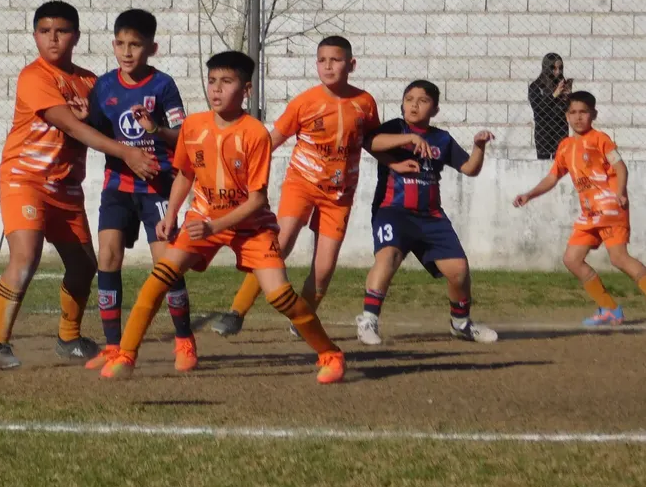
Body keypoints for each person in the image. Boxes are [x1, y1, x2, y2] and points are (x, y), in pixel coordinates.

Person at [98, 50, 346, 384]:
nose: (216, 89)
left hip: (251, 228)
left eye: (226, 82)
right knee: (158, 279)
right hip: (203, 220)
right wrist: (171, 214)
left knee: (279, 295)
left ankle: (330, 354)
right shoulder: (194, 126)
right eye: (212, 81)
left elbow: (257, 200)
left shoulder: (255, 133)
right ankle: (126, 356)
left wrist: (214, 225)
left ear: (246, 90)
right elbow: (185, 174)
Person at [0, 1, 159, 370]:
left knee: (83, 266)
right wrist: (127, 153)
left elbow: (109, 123)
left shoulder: (92, 81)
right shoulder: (34, 76)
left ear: (75, 36)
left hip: (66, 188)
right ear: (35, 36)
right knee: (26, 255)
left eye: (61, 31)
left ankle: (68, 338)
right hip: (25, 179)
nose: (52, 38)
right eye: (44, 31)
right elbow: (76, 128)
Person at [201, 35, 381, 338]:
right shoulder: (305, 102)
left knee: (323, 268)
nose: (328, 66)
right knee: (277, 247)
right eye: (322, 60)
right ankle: (236, 312)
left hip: (339, 195)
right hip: (302, 184)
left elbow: (374, 141)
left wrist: (399, 159)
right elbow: (271, 140)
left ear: (351, 64)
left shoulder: (365, 103)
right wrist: (239, 169)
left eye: (335, 60)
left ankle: (303, 318)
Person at [84, 9, 197, 373]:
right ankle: (113, 346)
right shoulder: (103, 86)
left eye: (136, 44)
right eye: (121, 43)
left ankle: (184, 341)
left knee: (166, 265)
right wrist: (83, 117)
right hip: (117, 185)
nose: (127, 51)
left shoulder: (162, 85)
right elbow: (98, 135)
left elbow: (182, 135)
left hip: (158, 187)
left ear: (152, 47)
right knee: (108, 257)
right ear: (113, 45)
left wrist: (156, 129)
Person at [354, 79, 499, 346]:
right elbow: (369, 142)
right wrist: (409, 139)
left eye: (422, 101)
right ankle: (368, 320)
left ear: (435, 109)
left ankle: (461, 323)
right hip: (393, 211)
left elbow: (469, 168)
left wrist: (479, 147)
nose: (414, 105)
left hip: (431, 216)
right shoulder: (395, 128)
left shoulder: (441, 138)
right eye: (409, 99)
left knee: (459, 270)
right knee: (388, 258)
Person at [514, 91, 646, 326]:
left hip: (611, 208)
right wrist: (529, 194)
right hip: (589, 214)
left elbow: (621, 167)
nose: (578, 117)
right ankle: (610, 308)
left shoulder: (600, 139)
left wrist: (621, 192)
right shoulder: (565, 146)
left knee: (619, 259)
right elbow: (552, 178)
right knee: (572, 259)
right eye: (573, 112)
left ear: (593, 114)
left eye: (583, 112)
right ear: (566, 116)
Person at [528, 52, 570, 160]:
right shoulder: (536, 87)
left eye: (560, 68)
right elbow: (538, 109)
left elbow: (568, 111)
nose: (558, 72)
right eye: (554, 68)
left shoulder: (562, 86)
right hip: (544, 132)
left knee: (560, 163)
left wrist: (568, 98)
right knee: (543, 164)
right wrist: (554, 95)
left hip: (560, 130)